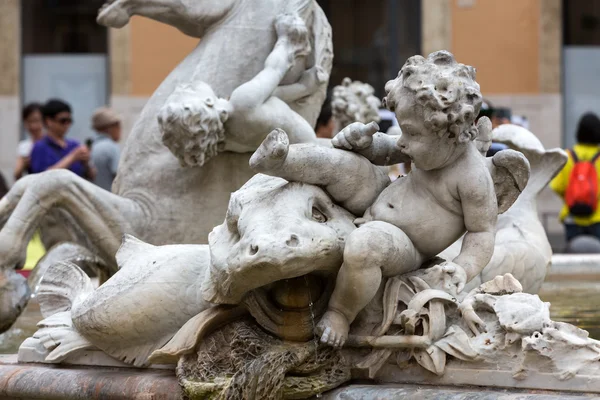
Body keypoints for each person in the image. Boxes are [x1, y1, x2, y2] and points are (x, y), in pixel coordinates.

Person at [252, 51, 500, 347]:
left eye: (411, 133)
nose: (404, 141)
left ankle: (340, 313)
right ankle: (282, 160)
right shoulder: (429, 146)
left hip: (406, 243)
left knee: (365, 247)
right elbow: (389, 150)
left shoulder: (473, 177)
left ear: (452, 133)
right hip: (380, 195)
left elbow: (482, 231)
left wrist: (463, 266)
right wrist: (366, 145)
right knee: (343, 164)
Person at [550, 112, 600, 242]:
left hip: (572, 217)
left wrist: (572, 195)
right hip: (598, 219)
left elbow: (556, 185)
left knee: (573, 256)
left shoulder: (567, 155)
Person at [30, 99, 95, 180]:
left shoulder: (74, 145)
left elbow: (92, 176)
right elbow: (41, 178)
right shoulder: (40, 147)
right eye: (63, 121)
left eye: (69, 121)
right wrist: (72, 157)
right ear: (48, 121)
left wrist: (86, 163)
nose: (67, 124)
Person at [90, 107, 122, 191]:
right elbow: (119, 177)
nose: (120, 129)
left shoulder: (89, 147)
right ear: (110, 127)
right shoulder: (112, 147)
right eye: (118, 125)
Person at [14, 103, 45, 180]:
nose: (33, 126)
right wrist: (24, 164)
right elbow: (17, 175)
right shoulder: (24, 146)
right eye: (29, 122)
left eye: (36, 121)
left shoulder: (52, 143)